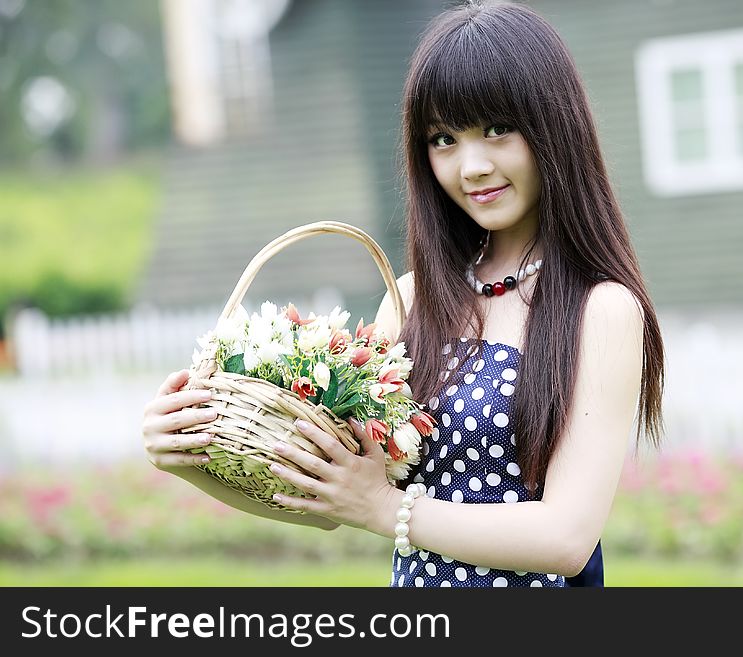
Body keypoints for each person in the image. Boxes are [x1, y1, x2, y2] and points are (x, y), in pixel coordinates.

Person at [141, 0, 665, 588]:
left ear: (554, 129)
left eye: (497, 130)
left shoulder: (602, 310)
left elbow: (567, 538)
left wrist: (385, 510)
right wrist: (188, 458)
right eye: (444, 138)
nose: (471, 166)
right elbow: (331, 497)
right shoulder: (412, 301)